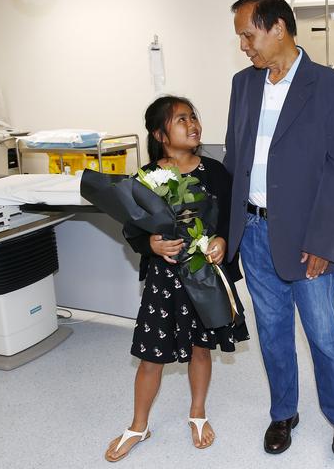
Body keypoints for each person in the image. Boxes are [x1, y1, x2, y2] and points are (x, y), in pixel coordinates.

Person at [224, 0, 334, 458]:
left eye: (248, 34)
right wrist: (230, 231)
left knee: (323, 333)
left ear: (277, 27)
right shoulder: (244, 85)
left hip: (307, 239)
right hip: (255, 233)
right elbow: (235, 161)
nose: (244, 45)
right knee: (273, 331)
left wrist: (323, 240)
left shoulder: (332, 88)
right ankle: (284, 412)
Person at [104, 95, 249, 462]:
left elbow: (232, 219)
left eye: (193, 117)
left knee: (201, 348)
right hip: (163, 280)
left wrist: (221, 241)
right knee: (150, 355)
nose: (193, 124)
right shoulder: (147, 177)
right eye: (181, 119)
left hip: (204, 277)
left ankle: (197, 413)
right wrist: (151, 243)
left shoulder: (215, 172)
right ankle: (139, 425)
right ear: (160, 134)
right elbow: (133, 230)